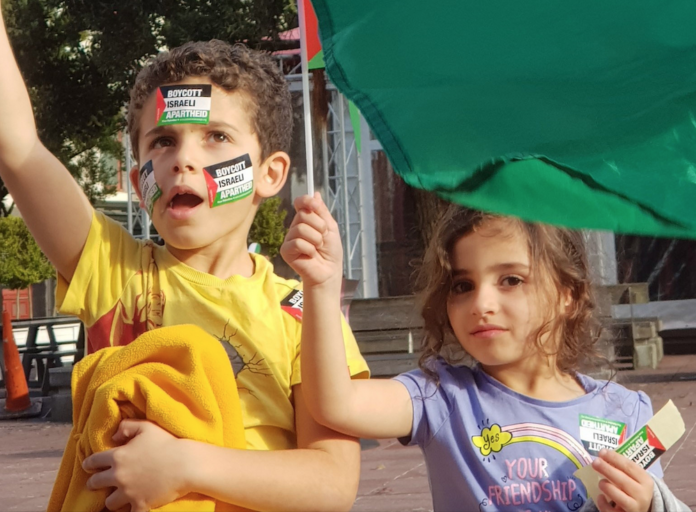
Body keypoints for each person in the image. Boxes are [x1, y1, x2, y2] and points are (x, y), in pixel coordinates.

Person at [0, 5, 369, 510]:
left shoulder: (305, 314)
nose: (183, 158)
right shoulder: (115, 272)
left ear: (271, 173)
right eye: (163, 141)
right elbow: (17, 147)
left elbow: (330, 482)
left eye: (216, 136)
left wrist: (185, 466)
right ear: (138, 183)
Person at [282, 195, 689, 512]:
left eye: (511, 279)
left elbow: (657, 499)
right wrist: (320, 286)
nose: (482, 302)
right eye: (463, 285)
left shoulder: (625, 411)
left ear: (569, 294)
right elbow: (336, 404)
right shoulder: (441, 397)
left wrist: (646, 501)